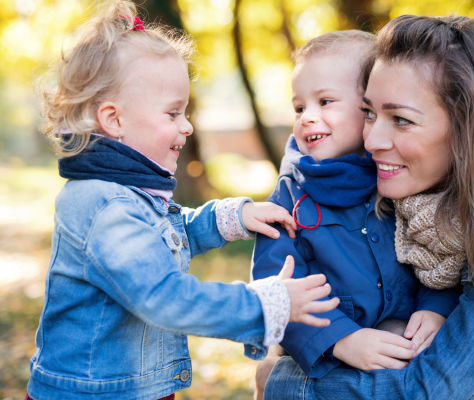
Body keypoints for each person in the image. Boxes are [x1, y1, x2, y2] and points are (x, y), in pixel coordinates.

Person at [261, 14, 474, 400]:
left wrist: (283, 382)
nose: (371, 141)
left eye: (401, 120)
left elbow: (437, 388)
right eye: (369, 113)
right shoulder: (419, 196)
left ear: (468, 127)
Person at [26, 2, 340, 399]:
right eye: (173, 113)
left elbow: (167, 233)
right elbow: (165, 297)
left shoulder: (129, 192)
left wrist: (232, 217)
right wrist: (266, 305)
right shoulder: (102, 205)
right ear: (114, 119)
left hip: (136, 387)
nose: (187, 126)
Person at [251, 30, 461, 397]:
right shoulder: (289, 197)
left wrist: (436, 308)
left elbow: (438, 257)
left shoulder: (402, 178)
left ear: (368, 108)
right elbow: (277, 286)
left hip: (407, 348)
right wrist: (340, 339)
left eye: (325, 101)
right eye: (299, 107)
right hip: (329, 360)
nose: (306, 118)